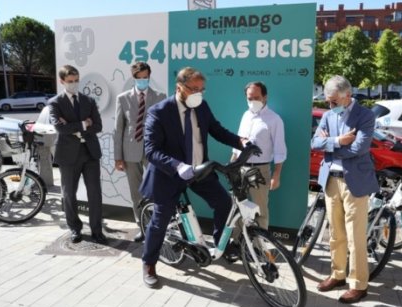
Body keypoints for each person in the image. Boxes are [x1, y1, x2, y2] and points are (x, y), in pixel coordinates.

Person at [139, 67, 247, 288]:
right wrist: (177, 165)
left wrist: (239, 141)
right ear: (180, 87)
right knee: (160, 221)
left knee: (223, 202)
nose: (199, 93)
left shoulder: (201, 106)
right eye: (194, 89)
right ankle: (149, 263)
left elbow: (216, 130)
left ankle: (220, 245)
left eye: (202, 89)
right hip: (169, 174)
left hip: (199, 171)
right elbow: (150, 150)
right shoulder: (159, 112)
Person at [311, 75, 379, 304]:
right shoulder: (329, 115)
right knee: (335, 234)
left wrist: (329, 145)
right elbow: (315, 143)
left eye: (333, 101)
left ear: (347, 95)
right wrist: (339, 141)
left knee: (355, 236)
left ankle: (358, 285)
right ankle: (338, 274)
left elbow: (360, 147)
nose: (329, 106)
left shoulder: (366, 115)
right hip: (331, 180)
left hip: (355, 183)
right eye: (328, 101)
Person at [48, 64, 107, 244]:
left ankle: (97, 230)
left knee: (95, 193)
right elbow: (59, 127)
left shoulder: (89, 101)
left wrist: (72, 126)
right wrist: (83, 124)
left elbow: (98, 126)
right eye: (70, 81)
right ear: (62, 81)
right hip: (68, 155)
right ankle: (75, 228)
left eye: (76, 81)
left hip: (90, 153)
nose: (74, 84)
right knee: (69, 194)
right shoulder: (55, 103)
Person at [229, 81, 286, 256]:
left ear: (265, 97)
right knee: (237, 206)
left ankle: (259, 247)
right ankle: (236, 242)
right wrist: (231, 165)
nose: (253, 101)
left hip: (260, 170)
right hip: (240, 168)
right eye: (249, 98)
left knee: (260, 209)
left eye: (257, 98)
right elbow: (238, 143)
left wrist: (277, 174)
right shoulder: (246, 115)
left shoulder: (274, 119)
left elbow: (279, 149)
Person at [113, 62, 166, 242]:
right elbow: (118, 129)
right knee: (136, 192)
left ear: (149, 77)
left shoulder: (160, 96)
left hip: (153, 150)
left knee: (156, 190)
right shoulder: (123, 98)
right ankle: (142, 227)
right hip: (130, 151)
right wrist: (118, 157)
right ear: (133, 78)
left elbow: (165, 126)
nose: (143, 81)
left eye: (145, 77)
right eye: (139, 78)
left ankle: (158, 228)